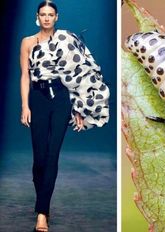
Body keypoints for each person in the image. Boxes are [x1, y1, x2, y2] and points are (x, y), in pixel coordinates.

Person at [20, 1, 109, 231]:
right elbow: (25, 77)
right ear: (37, 17)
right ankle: (42, 201)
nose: (47, 18)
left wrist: (79, 108)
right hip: (38, 99)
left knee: (52, 155)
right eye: (43, 14)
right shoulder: (28, 42)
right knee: (39, 158)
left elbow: (80, 75)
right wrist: (25, 106)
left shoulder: (67, 40)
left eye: (51, 14)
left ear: (57, 17)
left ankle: (42, 213)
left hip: (61, 99)